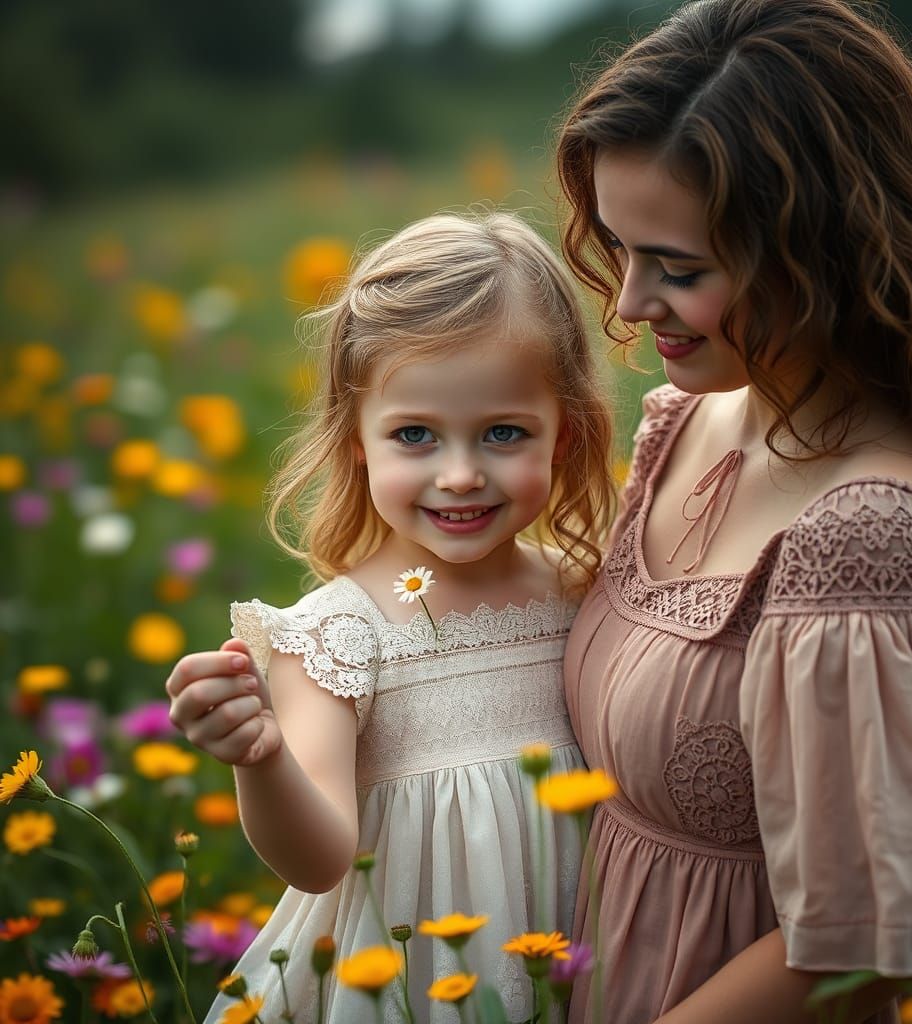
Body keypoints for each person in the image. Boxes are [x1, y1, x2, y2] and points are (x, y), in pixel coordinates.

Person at [555, 0, 912, 1021]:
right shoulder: (685, 421)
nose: (630, 303)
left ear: (822, 253)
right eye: (621, 250)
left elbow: (860, 954)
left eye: (678, 269)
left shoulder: (867, 530)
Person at [165, 211, 616, 1022]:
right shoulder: (340, 634)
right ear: (358, 442)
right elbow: (319, 858)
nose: (459, 474)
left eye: (504, 432)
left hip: (580, 967)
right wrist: (262, 759)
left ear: (565, 435)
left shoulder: (587, 593)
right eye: (415, 434)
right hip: (407, 983)